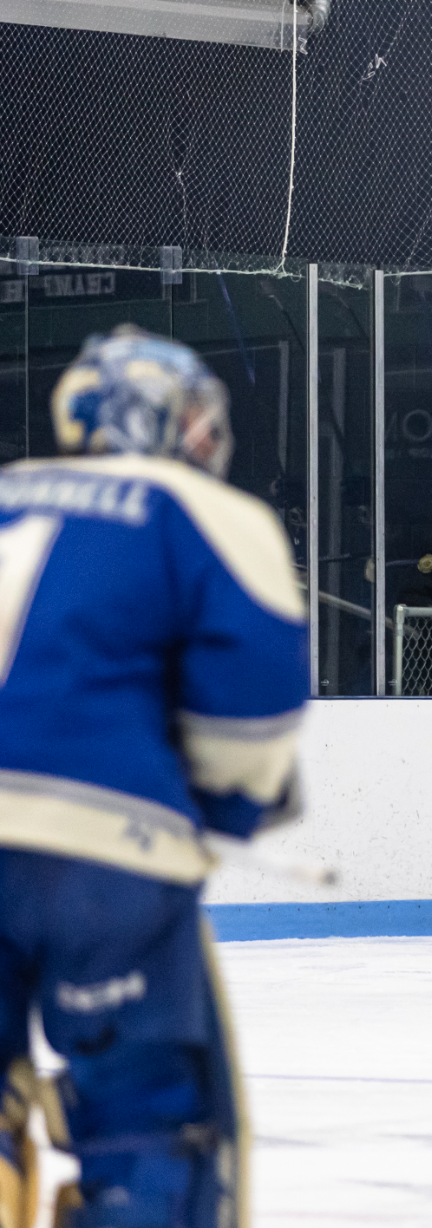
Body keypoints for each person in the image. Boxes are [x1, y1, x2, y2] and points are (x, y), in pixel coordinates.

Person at [0, 327, 310, 1226]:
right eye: (199, 422)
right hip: (102, 852)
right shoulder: (196, 509)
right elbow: (253, 708)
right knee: (151, 1123)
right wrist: (220, 808)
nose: (210, 442)